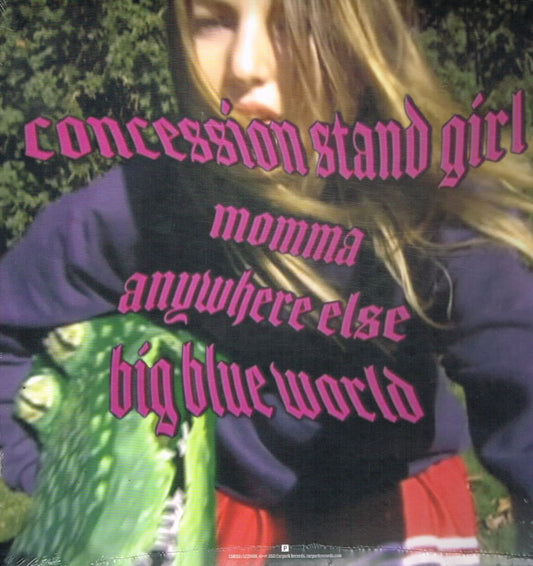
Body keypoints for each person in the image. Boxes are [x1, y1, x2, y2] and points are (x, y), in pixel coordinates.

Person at [2, 0, 533, 564]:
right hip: (217, 510)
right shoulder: (147, 200)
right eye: (213, 22)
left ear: (364, 44)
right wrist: (61, 479)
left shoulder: (430, 202)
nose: (245, 66)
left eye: (292, 25)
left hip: (390, 510)